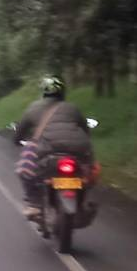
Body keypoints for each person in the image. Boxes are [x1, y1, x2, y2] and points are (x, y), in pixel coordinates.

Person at [14, 76, 92, 219]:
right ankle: (82, 202)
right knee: (86, 172)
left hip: (48, 150)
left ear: (44, 91)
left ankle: (34, 204)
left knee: (24, 170)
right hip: (78, 149)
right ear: (62, 91)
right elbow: (85, 130)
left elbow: (20, 131)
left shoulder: (33, 107)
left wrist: (17, 140)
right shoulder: (72, 108)